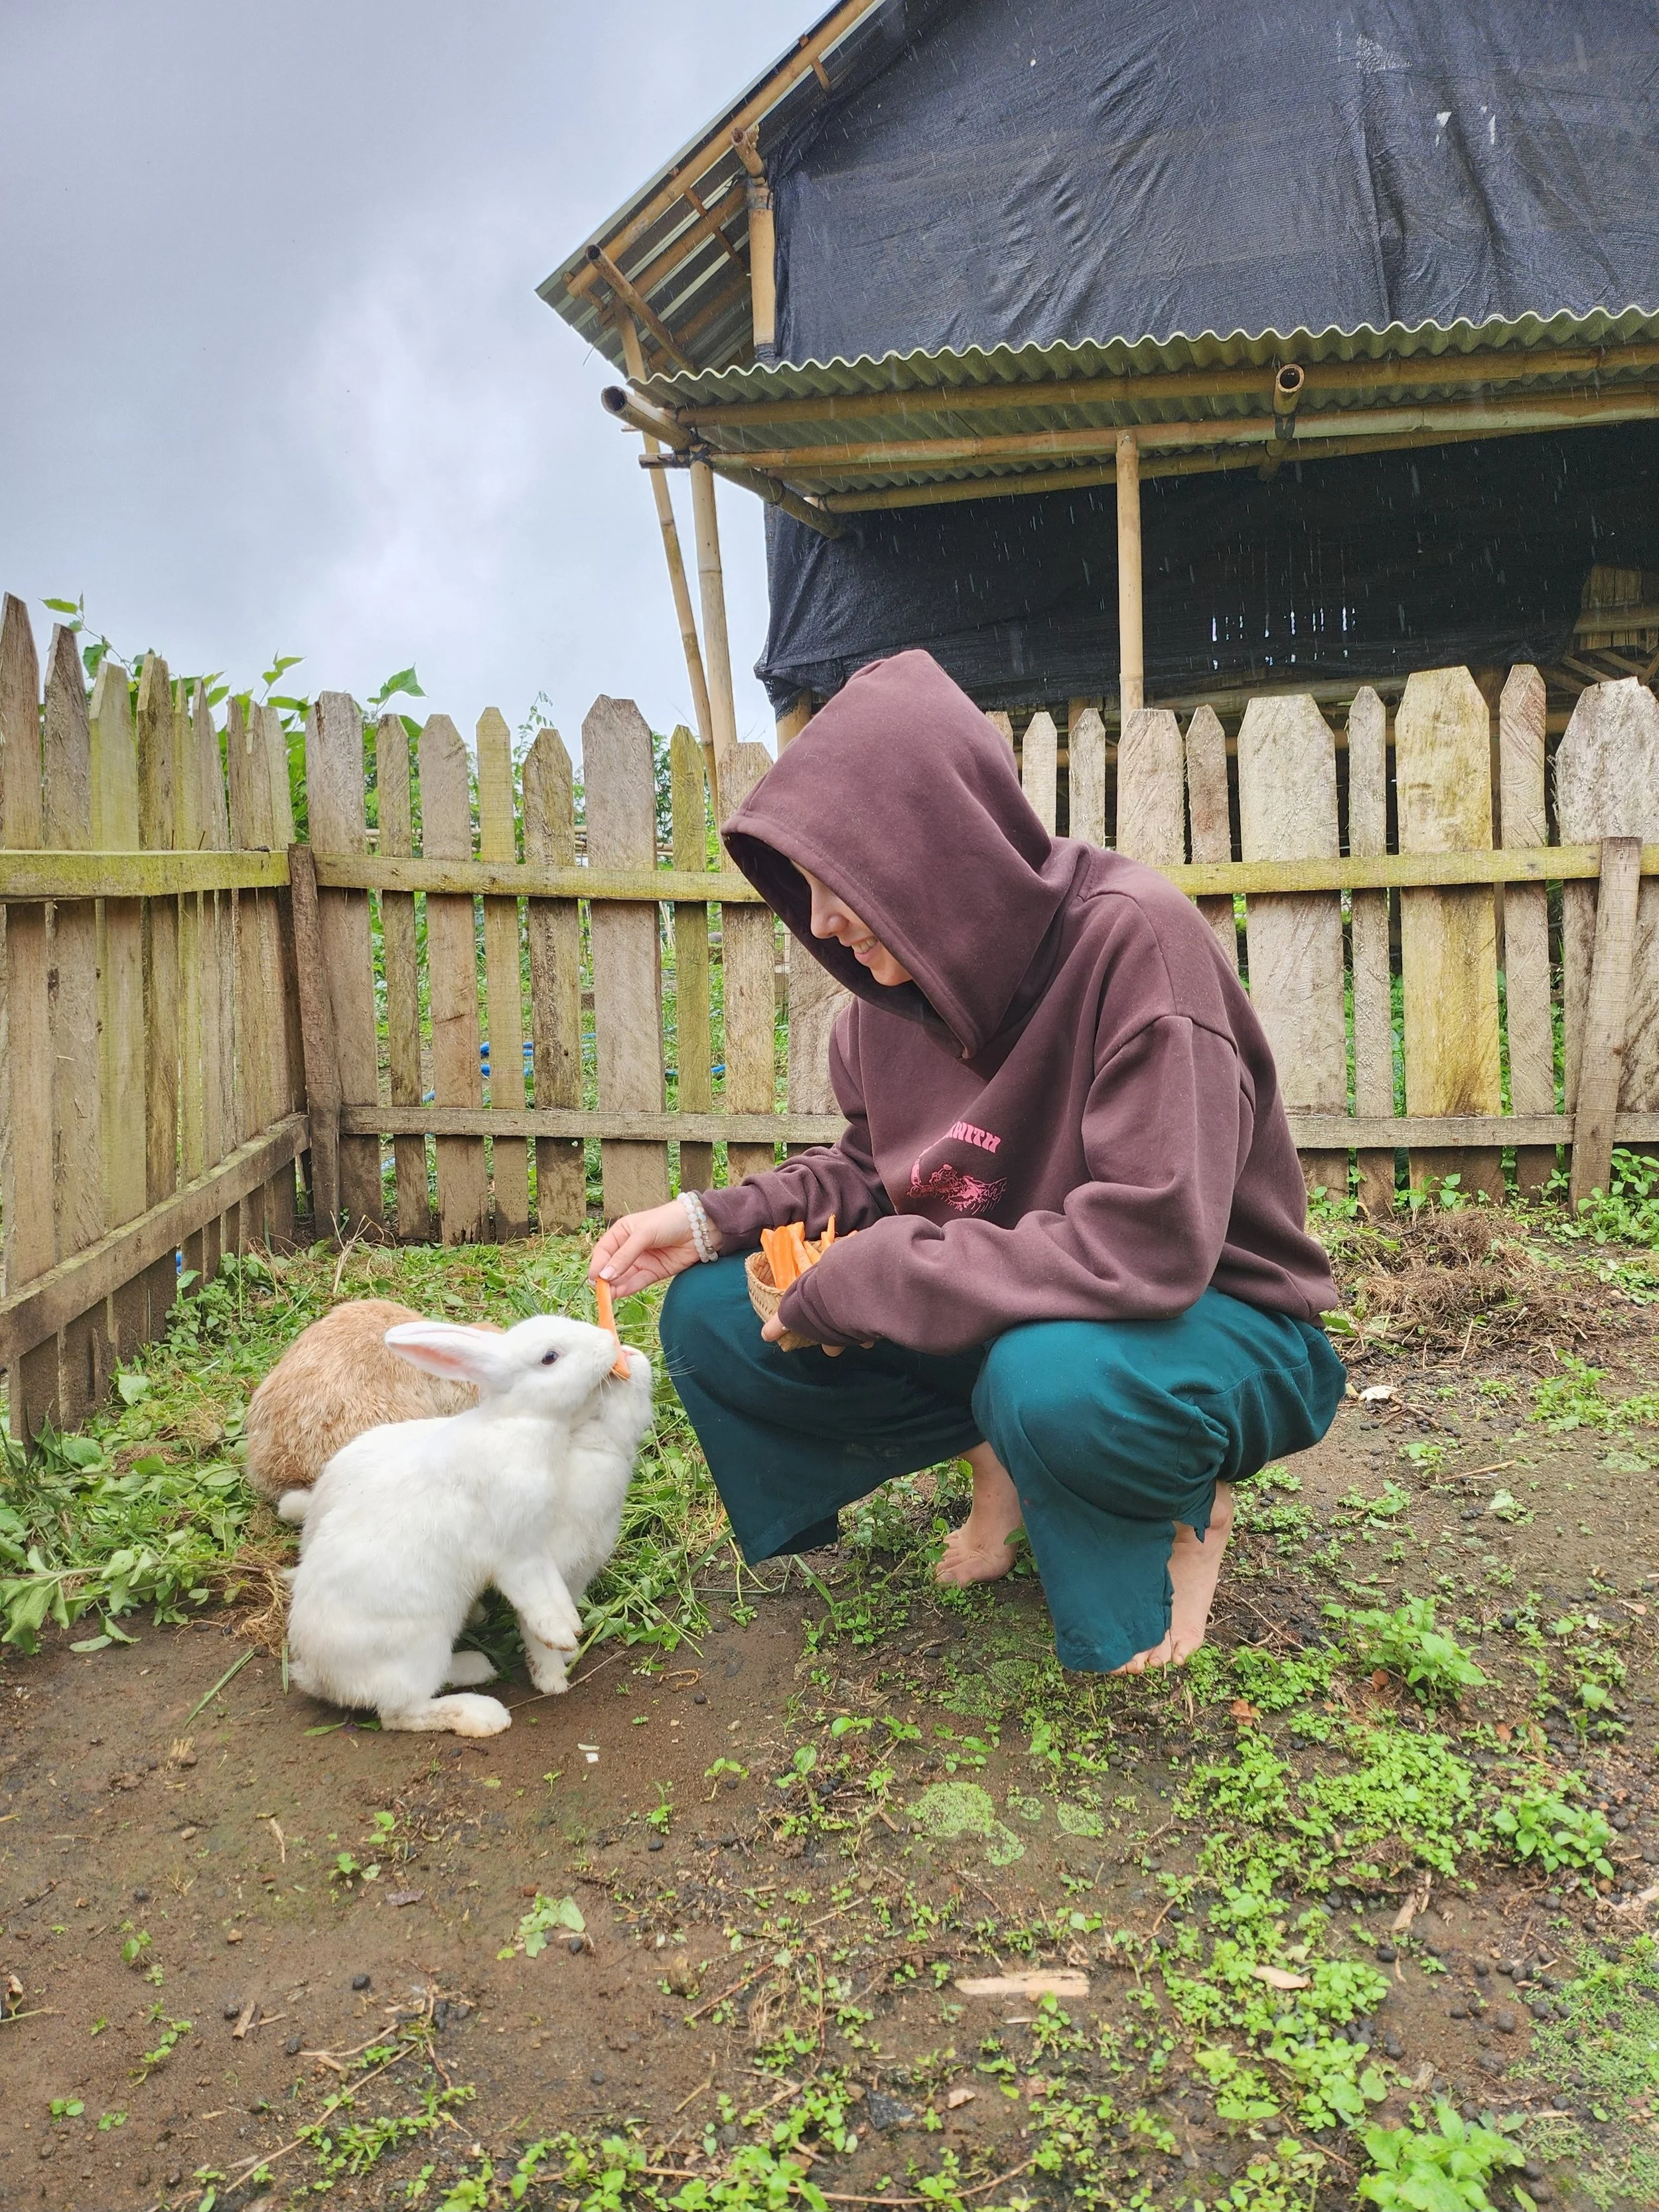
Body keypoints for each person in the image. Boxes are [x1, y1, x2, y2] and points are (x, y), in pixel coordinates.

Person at [589, 651, 1344, 1675]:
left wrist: (882, 1273)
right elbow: (873, 1169)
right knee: (720, 1313)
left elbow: (1152, 1245)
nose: (820, 923)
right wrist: (709, 1220)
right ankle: (1001, 1462)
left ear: (928, 847)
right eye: (802, 890)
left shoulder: (1136, 950)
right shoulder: (881, 1009)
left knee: (1053, 1377)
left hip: (1211, 1318)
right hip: (1022, 1297)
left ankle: (1181, 1506)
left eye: (837, 882)